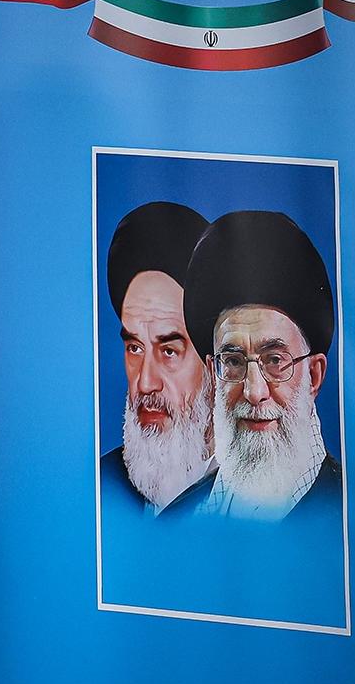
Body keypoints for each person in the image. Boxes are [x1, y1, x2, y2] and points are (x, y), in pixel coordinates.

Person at [183, 210, 342, 522]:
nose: (254, 392)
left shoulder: (354, 520)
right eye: (233, 361)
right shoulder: (175, 523)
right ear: (213, 376)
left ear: (313, 376)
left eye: (274, 360)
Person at [100, 201, 213, 517]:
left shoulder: (263, 496)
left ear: (214, 362)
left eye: (169, 351)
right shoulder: (100, 487)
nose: (145, 383)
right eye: (135, 348)